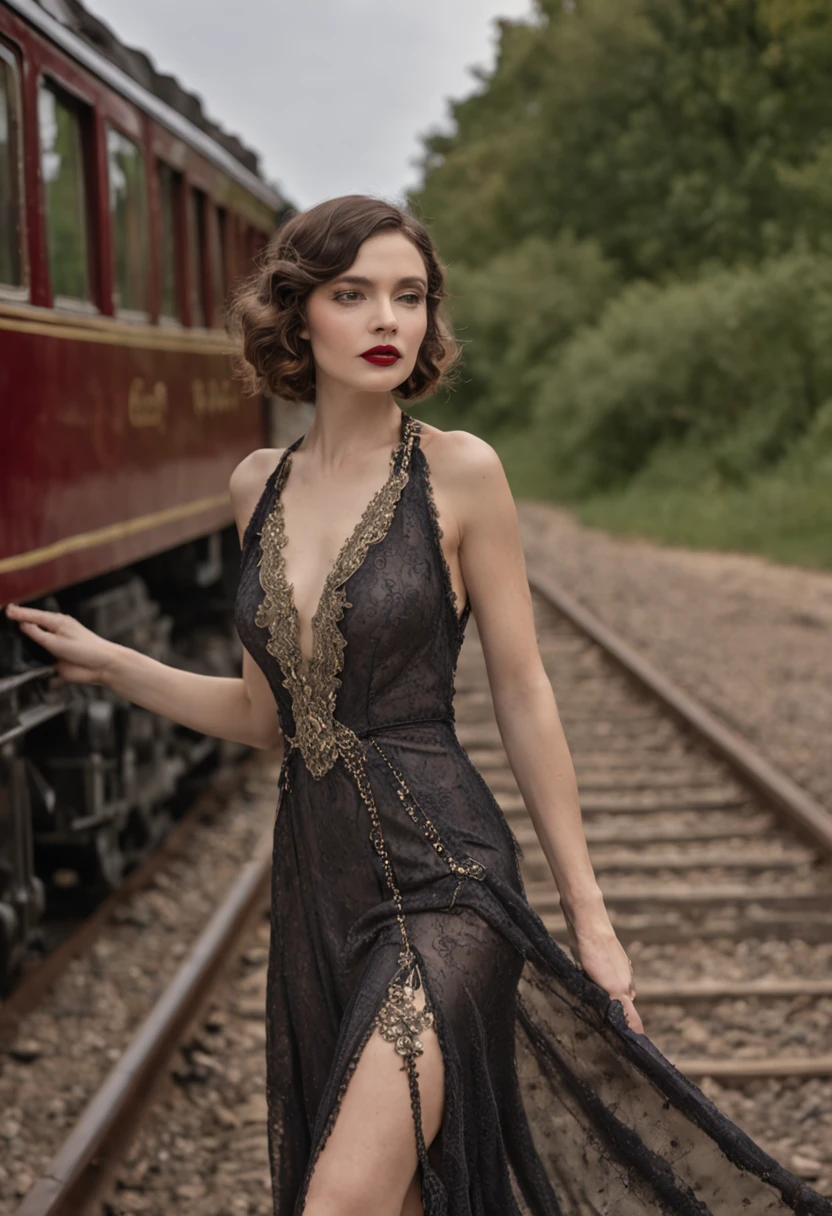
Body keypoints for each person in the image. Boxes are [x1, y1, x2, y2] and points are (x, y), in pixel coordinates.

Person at [5, 195, 830, 1216]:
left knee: (339, 1200)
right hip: (318, 895)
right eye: (353, 295)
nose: (388, 320)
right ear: (297, 315)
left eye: (409, 296)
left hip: (445, 884)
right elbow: (271, 717)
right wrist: (114, 664)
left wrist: (591, 918)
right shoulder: (253, 485)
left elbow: (525, 695)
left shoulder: (462, 472)